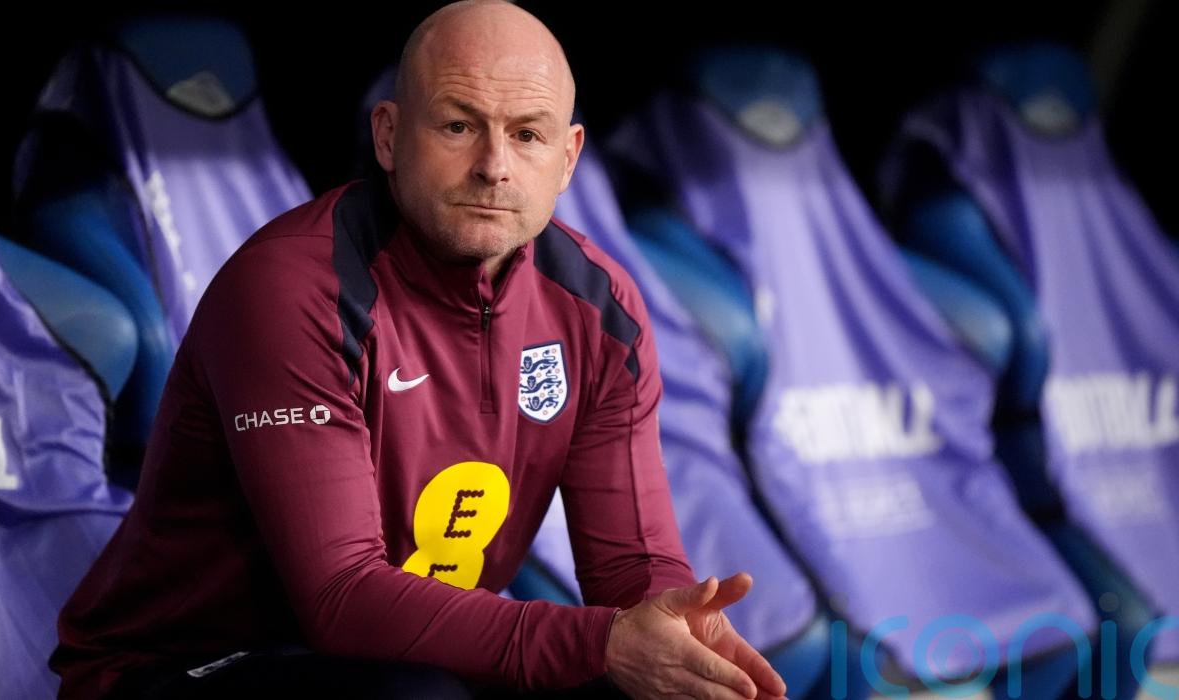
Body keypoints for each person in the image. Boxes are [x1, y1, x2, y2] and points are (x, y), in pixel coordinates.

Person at [50, 2, 788, 698]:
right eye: (459, 126)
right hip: (182, 666)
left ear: (568, 159)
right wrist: (602, 645)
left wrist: (675, 632)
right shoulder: (294, 288)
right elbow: (341, 598)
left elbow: (631, 565)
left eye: (528, 135)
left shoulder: (600, 310)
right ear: (388, 136)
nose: (494, 165)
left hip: (405, 657)